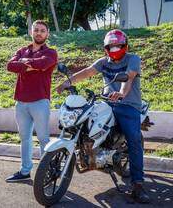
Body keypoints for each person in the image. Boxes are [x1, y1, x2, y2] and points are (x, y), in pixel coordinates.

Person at [56, 29, 150, 203]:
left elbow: (129, 78)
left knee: (134, 139)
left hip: (128, 105)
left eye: (118, 46)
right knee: (85, 122)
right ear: (106, 48)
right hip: (106, 103)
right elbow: (87, 72)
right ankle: (91, 152)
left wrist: (121, 93)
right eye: (111, 47)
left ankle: (138, 184)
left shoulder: (133, 59)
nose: (114, 49)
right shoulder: (103, 62)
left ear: (125, 46)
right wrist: (66, 83)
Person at [5, 20, 58, 182]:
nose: (39, 33)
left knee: (43, 139)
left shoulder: (51, 52)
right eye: (36, 30)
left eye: (42, 30)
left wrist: (24, 63)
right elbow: (10, 66)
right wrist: (30, 65)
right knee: (25, 138)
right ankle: (25, 170)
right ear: (31, 32)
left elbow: (44, 63)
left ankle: (47, 172)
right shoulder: (22, 50)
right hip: (21, 102)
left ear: (47, 34)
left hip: (40, 101)